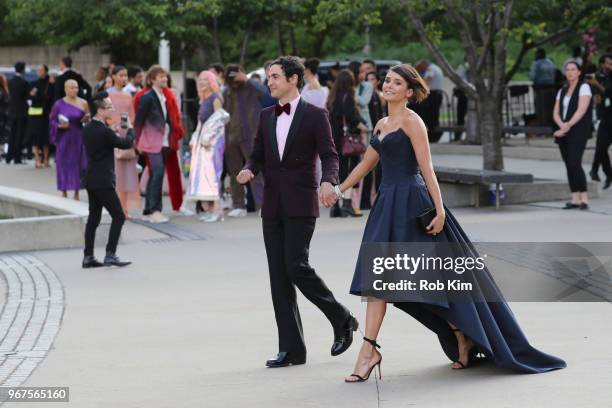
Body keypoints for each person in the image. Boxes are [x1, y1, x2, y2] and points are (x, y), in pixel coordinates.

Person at [335, 64, 566, 382]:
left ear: (409, 92)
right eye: (387, 80)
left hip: (414, 206)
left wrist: (440, 211)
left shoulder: (413, 122)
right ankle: (370, 350)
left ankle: (460, 333)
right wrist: (338, 190)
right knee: (378, 280)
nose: (388, 85)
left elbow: (427, 169)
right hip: (386, 207)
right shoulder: (381, 124)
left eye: (396, 82)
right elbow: (366, 164)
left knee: (431, 281)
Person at [237, 56, 357, 368]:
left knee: (295, 266)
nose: (269, 82)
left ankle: (341, 317)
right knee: (278, 278)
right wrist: (249, 169)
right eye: (268, 77)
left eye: (275, 76)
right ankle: (291, 349)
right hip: (272, 205)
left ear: (293, 79)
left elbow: (330, 155)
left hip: (302, 203)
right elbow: (257, 154)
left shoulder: (316, 115)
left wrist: (329, 181)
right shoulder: (266, 115)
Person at [82, 91, 134, 268]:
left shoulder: (88, 128)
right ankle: (110, 254)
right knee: (119, 216)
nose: (112, 109)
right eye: (109, 107)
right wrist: (131, 130)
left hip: (91, 179)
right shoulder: (104, 132)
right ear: (100, 110)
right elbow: (126, 144)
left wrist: (111, 130)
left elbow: (103, 141)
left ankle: (88, 257)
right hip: (103, 180)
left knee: (93, 219)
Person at [222, 64, 266, 217]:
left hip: (251, 135)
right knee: (234, 171)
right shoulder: (227, 92)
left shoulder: (252, 88)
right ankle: (238, 205)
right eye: (231, 74)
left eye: (236, 73)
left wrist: (247, 79)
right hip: (231, 136)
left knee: (254, 171)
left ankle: (263, 205)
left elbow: (267, 95)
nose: (234, 76)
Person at [134, 65, 174, 223]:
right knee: (156, 173)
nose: (164, 79)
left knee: (156, 175)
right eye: (160, 77)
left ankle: (150, 210)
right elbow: (139, 121)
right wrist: (136, 143)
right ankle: (153, 210)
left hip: (163, 141)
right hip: (151, 142)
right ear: (151, 80)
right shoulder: (147, 97)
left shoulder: (163, 96)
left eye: (165, 76)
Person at [187, 70, 227, 222]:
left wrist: (209, 139)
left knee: (213, 175)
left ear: (211, 82)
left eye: (205, 79)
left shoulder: (215, 98)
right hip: (203, 143)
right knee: (206, 177)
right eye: (200, 80)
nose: (202, 82)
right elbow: (201, 123)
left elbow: (220, 120)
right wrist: (195, 139)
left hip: (213, 143)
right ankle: (211, 210)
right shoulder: (204, 99)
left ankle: (217, 211)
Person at [327, 69, 368, 218]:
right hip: (348, 141)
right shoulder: (348, 96)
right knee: (349, 172)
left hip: (335, 139)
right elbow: (352, 117)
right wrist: (363, 125)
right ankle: (346, 204)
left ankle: (335, 207)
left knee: (339, 172)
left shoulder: (332, 97)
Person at [553, 60, 593, 210]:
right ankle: (575, 198)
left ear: (579, 72)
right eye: (567, 69)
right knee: (568, 164)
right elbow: (556, 112)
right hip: (563, 131)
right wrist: (561, 125)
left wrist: (567, 125)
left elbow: (581, 110)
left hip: (578, 131)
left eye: (573, 69)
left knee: (575, 162)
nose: (570, 72)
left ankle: (584, 198)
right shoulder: (562, 90)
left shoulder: (584, 87)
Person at [107, 66, 140, 217]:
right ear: (113, 76)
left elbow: (131, 115)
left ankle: (125, 208)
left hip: (126, 134)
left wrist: (128, 130)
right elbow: (104, 114)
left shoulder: (128, 95)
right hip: (112, 135)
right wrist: (112, 127)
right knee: (116, 173)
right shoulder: (107, 94)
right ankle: (116, 208)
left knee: (127, 173)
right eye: (121, 75)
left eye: (125, 75)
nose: (124, 78)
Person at [49, 79, 89, 200]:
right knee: (63, 162)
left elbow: (88, 118)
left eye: (76, 87)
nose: (74, 90)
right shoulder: (58, 104)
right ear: (66, 89)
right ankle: (64, 190)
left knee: (77, 163)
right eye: (71, 87)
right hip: (64, 137)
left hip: (78, 135)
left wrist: (86, 119)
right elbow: (52, 120)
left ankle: (77, 191)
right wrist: (58, 126)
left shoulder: (83, 102)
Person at [589, 53, 612, 187]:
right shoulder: (599, 76)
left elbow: (609, 92)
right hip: (605, 116)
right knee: (601, 147)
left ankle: (594, 169)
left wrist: (596, 84)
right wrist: (596, 91)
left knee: (601, 147)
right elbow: (597, 98)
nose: (609, 66)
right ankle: (608, 174)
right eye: (608, 63)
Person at [26, 64, 54, 168]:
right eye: (38, 70)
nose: (39, 71)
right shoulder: (33, 83)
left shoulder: (50, 84)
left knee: (45, 137)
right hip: (34, 114)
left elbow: (50, 97)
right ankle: (37, 159)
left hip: (46, 114)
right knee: (35, 137)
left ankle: (46, 159)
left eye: (41, 70)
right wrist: (38, 96)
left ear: (46, 71)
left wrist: (37, 95)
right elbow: (30, 95)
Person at [415, 59, 444, 143]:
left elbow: (427, 79)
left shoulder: (431, 69)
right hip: (435, 94)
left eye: (420, 68)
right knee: (432, 115)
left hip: (433, 95)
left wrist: (417, 85)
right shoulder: (435, 67)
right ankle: (432, 134)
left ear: (424, 64)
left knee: (431, 115)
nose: (421, 70)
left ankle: (433, 134)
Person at [6, 61, 29, 164]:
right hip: (21, 112)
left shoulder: (9, 82)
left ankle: (8, 157)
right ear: (23, 69)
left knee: (11, 134)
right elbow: (27, 98)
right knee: (19, 135)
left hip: (11, 111)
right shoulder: (24, 83)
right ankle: (17, 158)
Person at [530, 49, 558, 128]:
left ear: (538, 54)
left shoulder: (536, 64)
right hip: (552, 88)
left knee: (541, 108)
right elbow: (555, 74)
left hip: (540, 89)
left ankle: (542, 126)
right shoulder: (550, 63)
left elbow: (532, 76)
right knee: (551, 107)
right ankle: (551, 125)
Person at [0, 74, 9, 158]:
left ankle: (3, 152)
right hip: (3, 116)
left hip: (2, 116)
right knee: (4, 135)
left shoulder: (4, 91)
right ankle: (4, 152)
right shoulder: (5, 91)